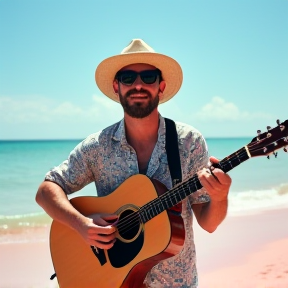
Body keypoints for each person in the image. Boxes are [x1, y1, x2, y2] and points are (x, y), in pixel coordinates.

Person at [36, 39, 231, 288]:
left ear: (160, 87)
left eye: (148, 77)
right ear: (117, 87)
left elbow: (209, 223)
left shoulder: (188, 141)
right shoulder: (98, 146)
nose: (138, 85)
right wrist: (82, 224)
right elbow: (46, 190)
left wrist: (220, 196)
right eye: (128, 78)